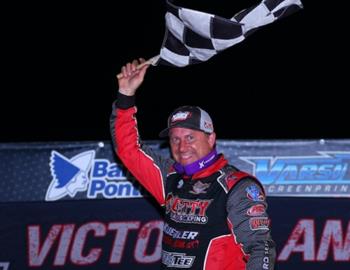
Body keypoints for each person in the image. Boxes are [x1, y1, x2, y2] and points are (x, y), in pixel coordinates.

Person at [110, 58, 276, 269]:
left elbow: (260, 249)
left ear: (211, 138)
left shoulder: (237, 186)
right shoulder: (169, 177)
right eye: (175, 139)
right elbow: (129, 150)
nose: (182, 146)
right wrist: (125, 96)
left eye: (190, 138)